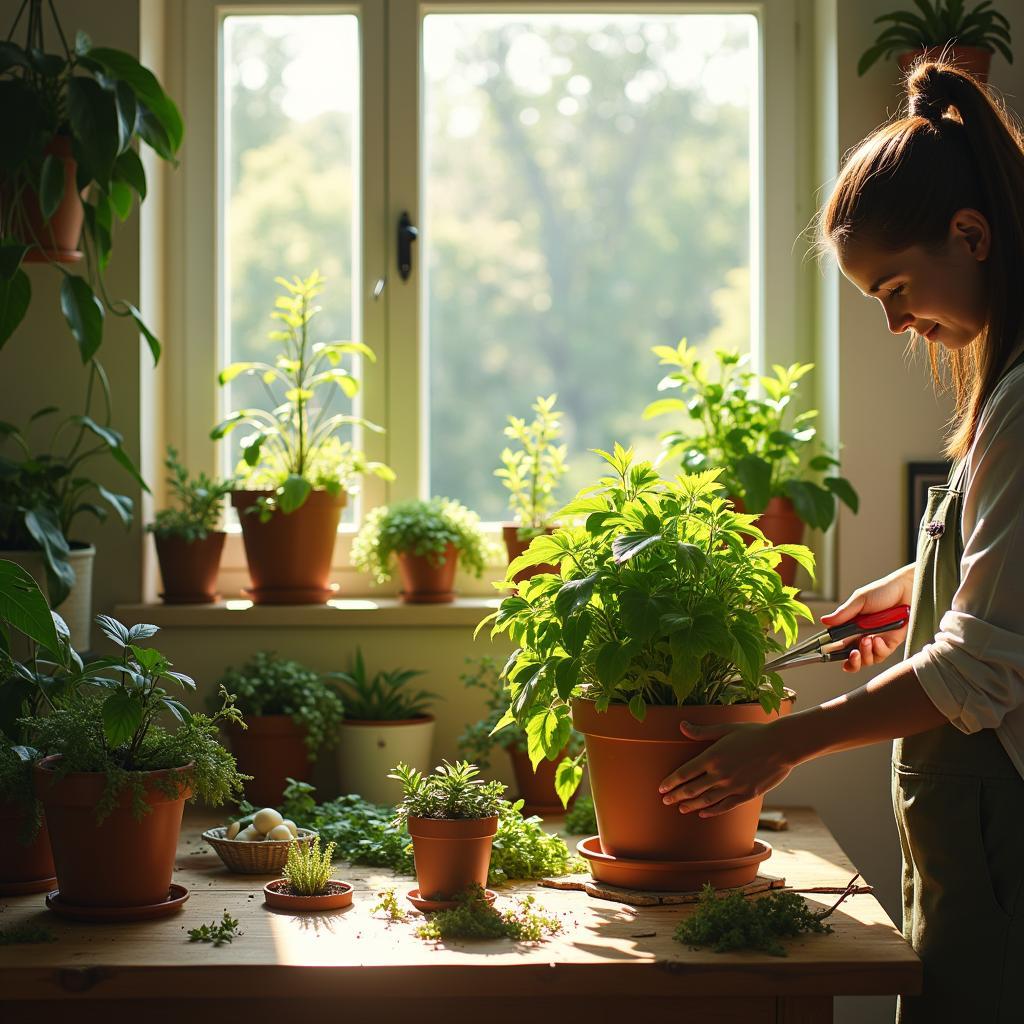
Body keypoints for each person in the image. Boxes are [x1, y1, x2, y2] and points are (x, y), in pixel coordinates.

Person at [658, 60, 1024, 1023]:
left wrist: (784, 744)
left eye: (895, 288)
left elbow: (980, 668)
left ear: (972, 235)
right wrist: (914, 588)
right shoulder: (1007, 388)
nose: (896, 321)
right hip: (973, 842)